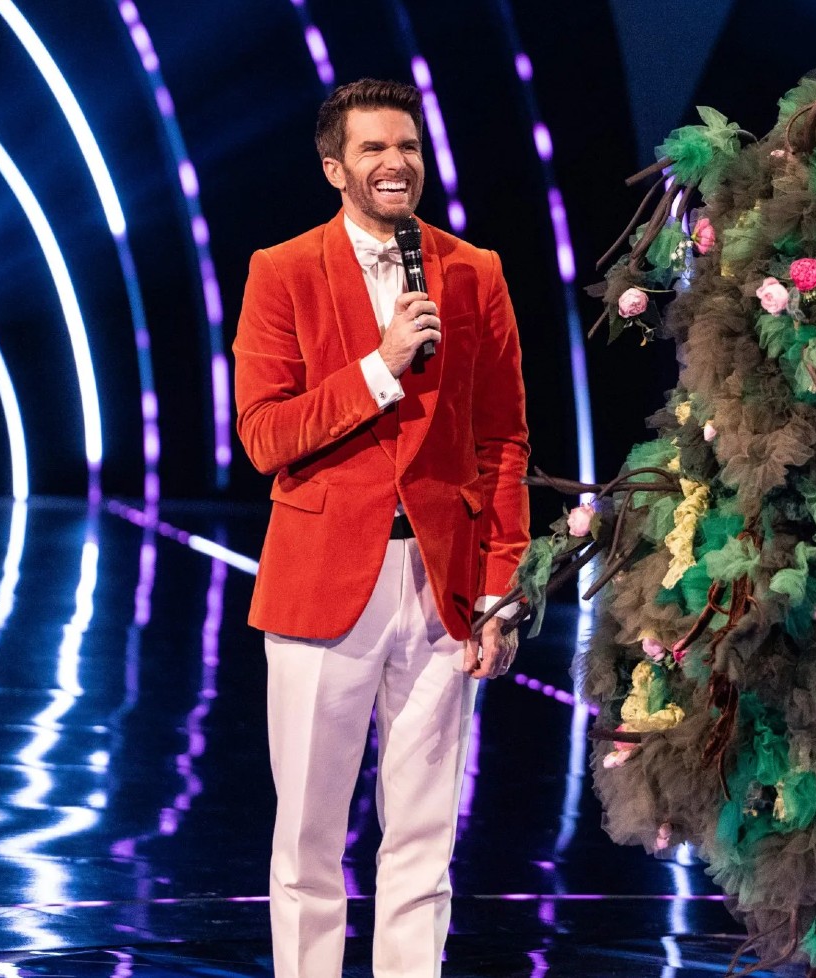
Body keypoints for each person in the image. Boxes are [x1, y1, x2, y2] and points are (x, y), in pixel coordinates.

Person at [232, 78, 530, 978]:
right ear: (335, 168)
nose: (395, 162)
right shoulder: (281, 270)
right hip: (323, 579)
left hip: (442, 584)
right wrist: (381, 365)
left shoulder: (473, 271)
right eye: (373, 149)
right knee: (308, 841)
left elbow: (504, 438)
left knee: (424, 840)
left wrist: (502, 585)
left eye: (407, 146)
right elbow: (264, 434)